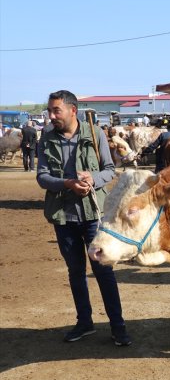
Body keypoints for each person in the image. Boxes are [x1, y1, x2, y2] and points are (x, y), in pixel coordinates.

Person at [36, 90, 131, 346]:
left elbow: (110, 171)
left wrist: (93, 178)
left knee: (104, 270)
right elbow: (42, 176)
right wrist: (67, 183)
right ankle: (85, 323)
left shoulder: (95, 133)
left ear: (72, 111)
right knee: (75, 271)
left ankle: (118, 326)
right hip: (63, 215)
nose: (52, 115)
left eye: (56, 110)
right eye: (50, 110)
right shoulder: (46, 138)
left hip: (93, 215)